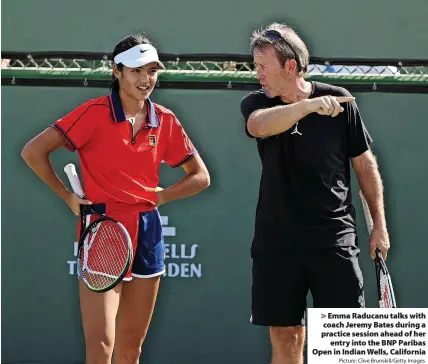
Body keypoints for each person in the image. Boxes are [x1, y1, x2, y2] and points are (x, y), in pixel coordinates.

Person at [21, 33, 210, 364]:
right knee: (101, 347)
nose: (145, 79)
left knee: (130, 350)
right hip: (103, 228)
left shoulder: (164, 119)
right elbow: (33, 151)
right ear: (116, 71)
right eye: (136, 70)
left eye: (151, 70)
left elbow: (200, 177)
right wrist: (66, 196)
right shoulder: (93, 113)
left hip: (148, 230)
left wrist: (163, 197)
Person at [240, 23, 390, 364]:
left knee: (343, 341)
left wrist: (378, 225)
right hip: (276, 242)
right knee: (285, 335)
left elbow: (365, 167)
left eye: (263, 66)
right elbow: (259, 125)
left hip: (333, 239)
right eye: (256, 66)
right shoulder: (256, 102)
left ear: (289, 66)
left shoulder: (340, 103)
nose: (257, 74)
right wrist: (307, 107)